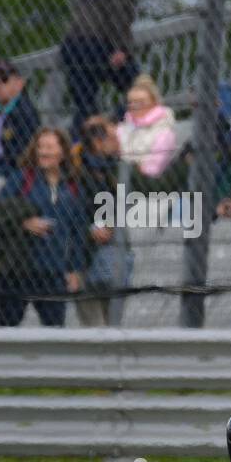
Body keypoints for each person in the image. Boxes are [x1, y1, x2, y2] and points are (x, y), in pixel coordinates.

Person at [0, 128, 90, 327]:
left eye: (49, 147)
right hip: (17, 270)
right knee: (7, 328)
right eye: (40, 147)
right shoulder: (21, 179)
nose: (43, 152)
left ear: (63, 152)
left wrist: (74, 270)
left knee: (55, 329)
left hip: (53, 272)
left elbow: (78, 232)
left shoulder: (73, 186)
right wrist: (23, 223)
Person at [60, 0, 151, 137]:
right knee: (140, 89)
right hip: (98, 44)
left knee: (85, 104)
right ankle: (113, 125)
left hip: (73, 45)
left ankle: (79, 148)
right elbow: (118, 15)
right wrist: (121, 48)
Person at [70, 117, 134, 326]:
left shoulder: (109, 172)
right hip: (83, 255)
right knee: (93, 325)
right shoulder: (77, 172)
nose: (118, 142)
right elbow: (70, 211)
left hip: (110, 253)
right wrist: (90, 229)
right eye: (113, 138)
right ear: (98, 142)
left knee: (112, 323)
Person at [117, 74, 177, 178]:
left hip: (148, 179)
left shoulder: (164, 130)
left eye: (140, 102)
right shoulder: (125, 126)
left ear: (154, 102)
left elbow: (154, 167)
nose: (134, 106)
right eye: (131, 102)